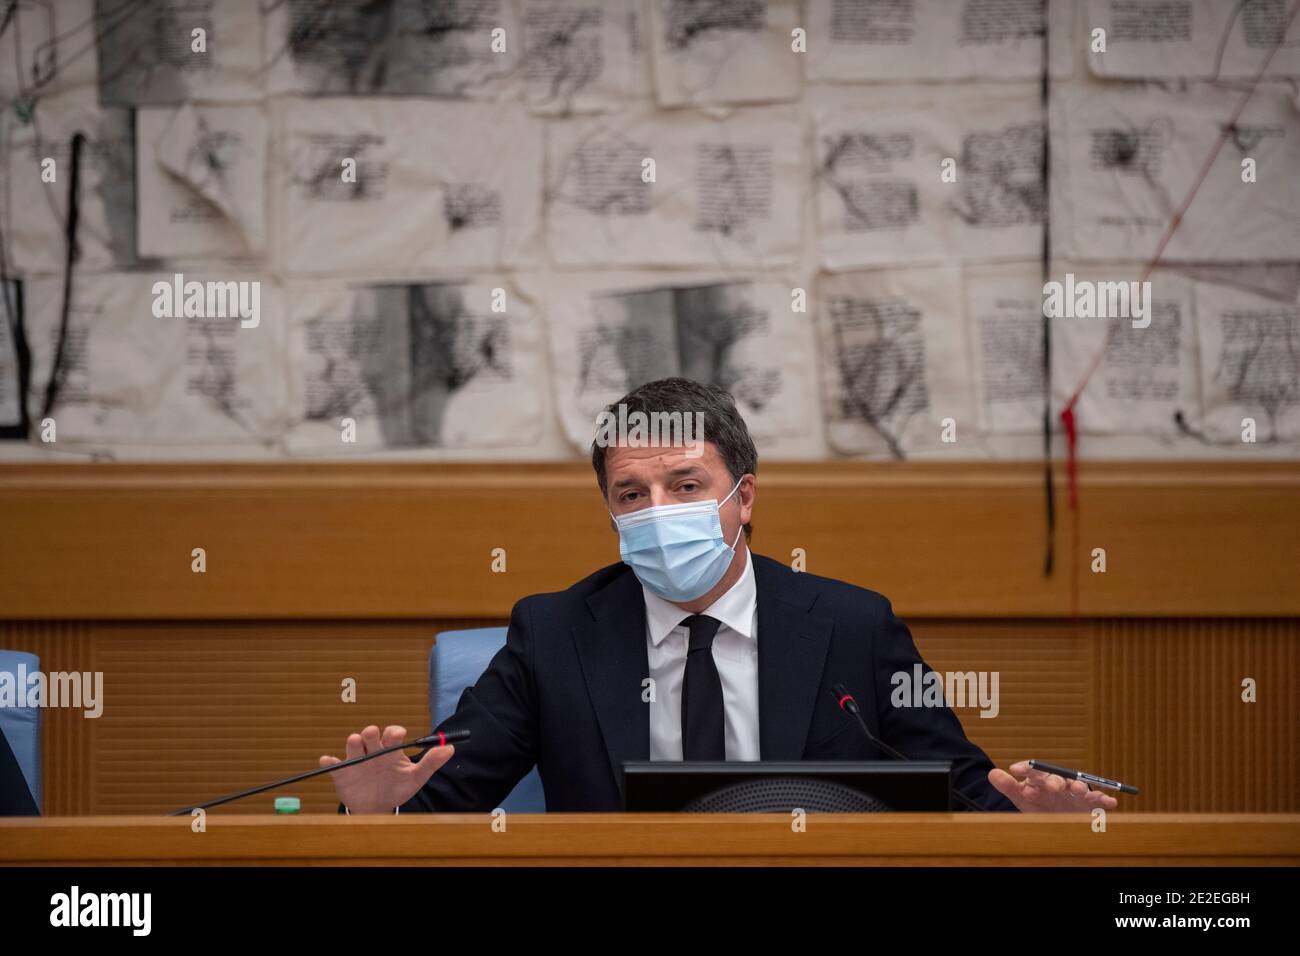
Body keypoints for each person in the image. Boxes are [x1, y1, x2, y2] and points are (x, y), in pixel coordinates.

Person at [323, 378, 1118, 814]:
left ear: (743, 499)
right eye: (632, 495)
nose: (658, 510)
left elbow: (958, 792)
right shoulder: (554, 632)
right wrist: (372, 814)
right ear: (610, 513)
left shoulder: (853, 627)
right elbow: (438, 802)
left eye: (686, 485)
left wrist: (1032, 828)